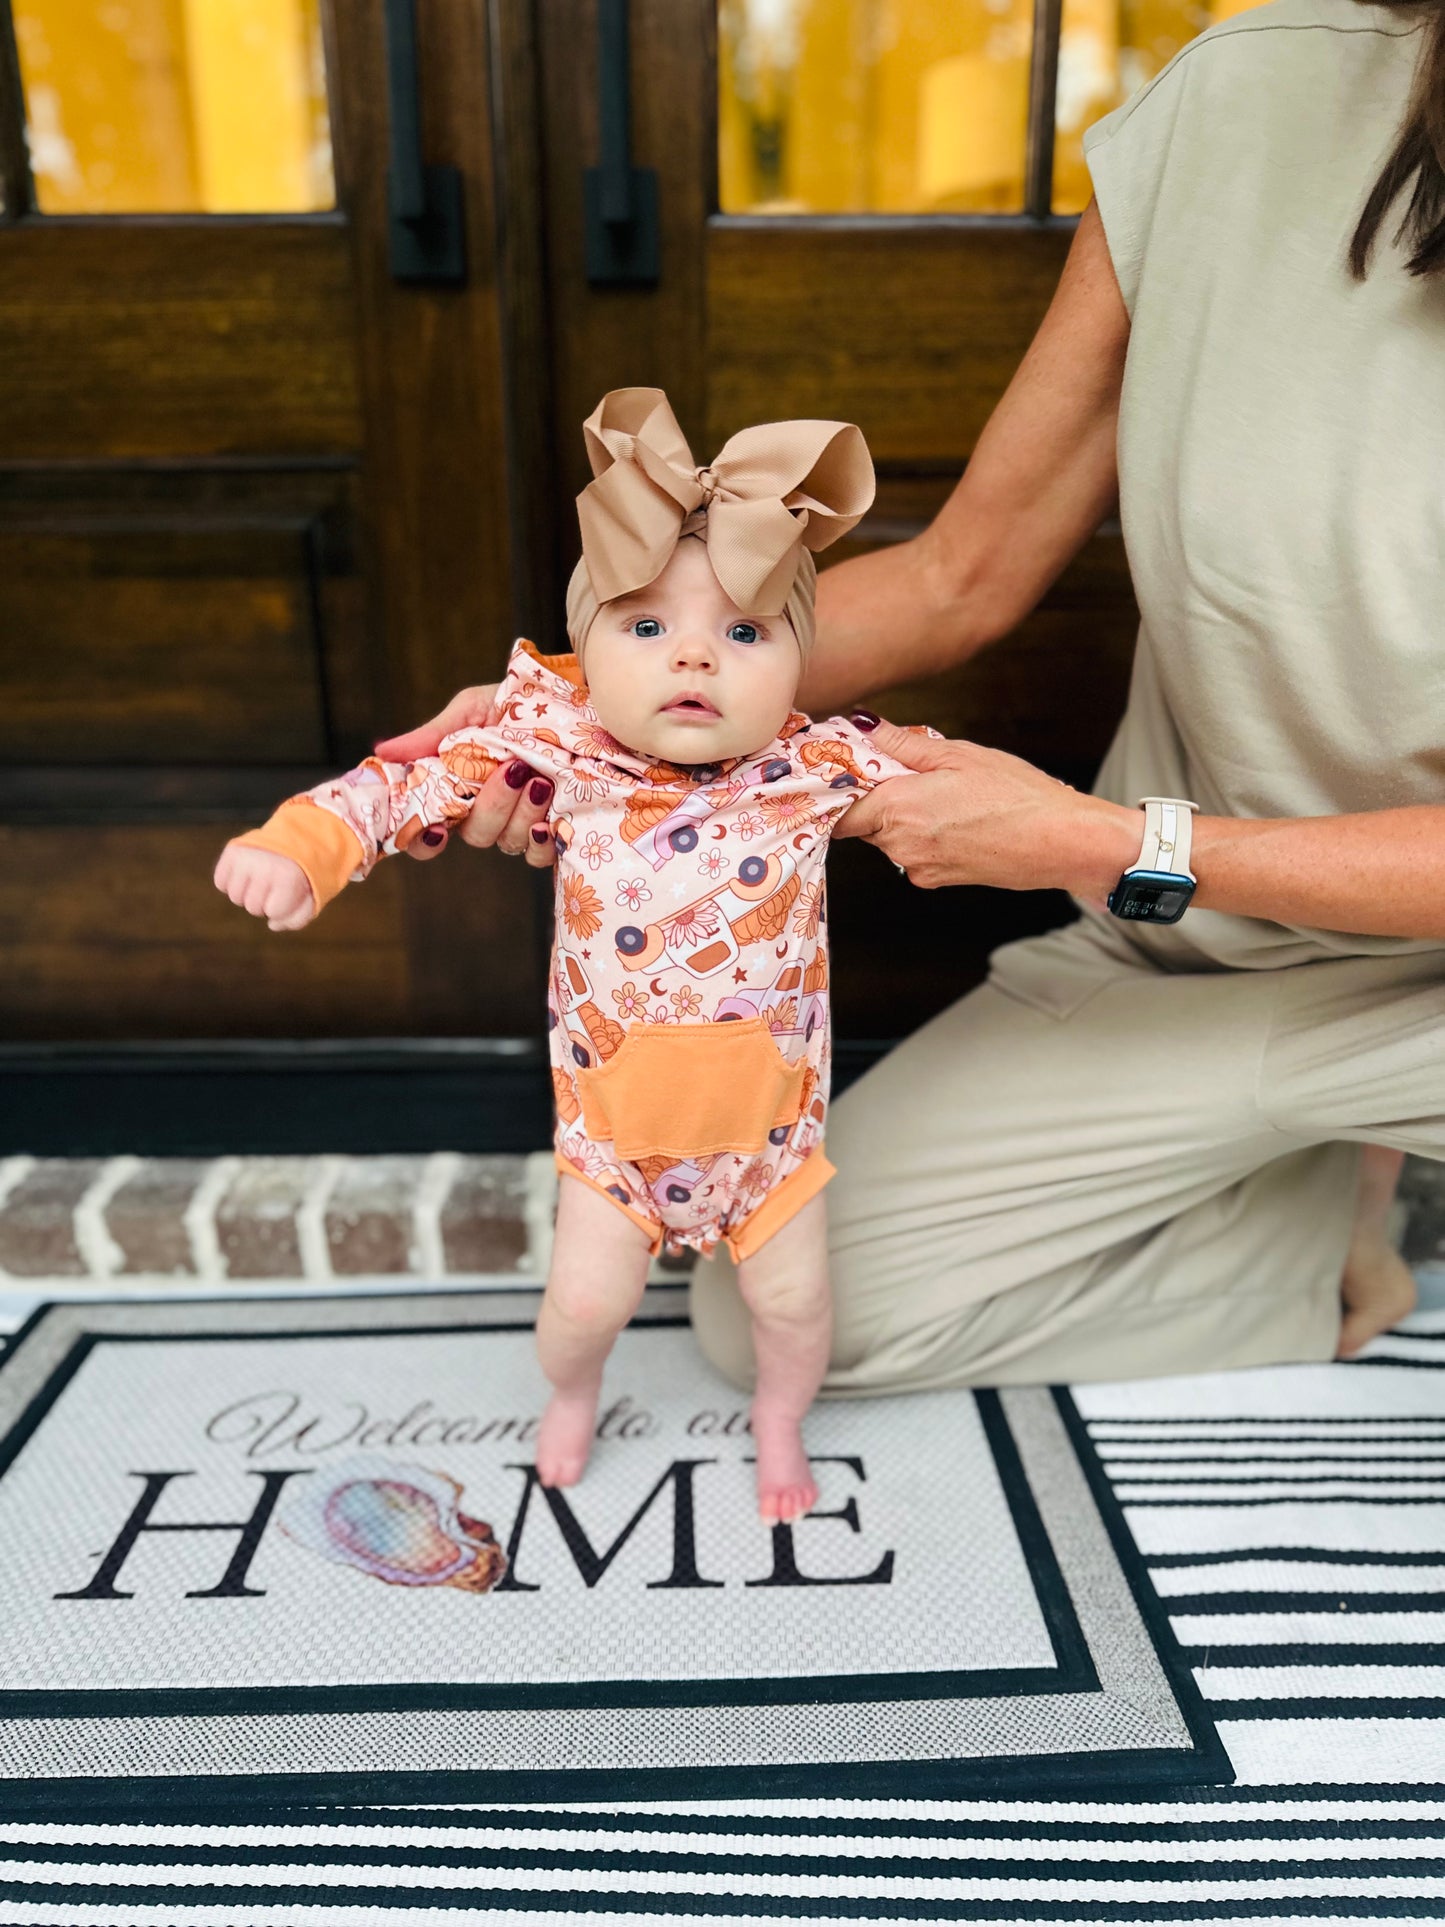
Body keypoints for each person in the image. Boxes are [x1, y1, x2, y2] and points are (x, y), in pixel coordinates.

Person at [375, 0, 1443, 1393]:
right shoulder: (1244, 103)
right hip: (1197, 967)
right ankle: (1314, 1220)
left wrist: (1108, 844)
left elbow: (1109, 840)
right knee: (787, 1313)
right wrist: (595, 700)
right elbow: (960, 573)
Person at [215, 389, 918, 1518]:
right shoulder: (554, 747)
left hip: (773, 1144)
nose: (693, 655)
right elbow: (403, 782)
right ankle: (572, 1394)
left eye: (743, 633)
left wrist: (1118, 845)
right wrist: (303, 843)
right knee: (576, 1311)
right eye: (644, 628)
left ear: (800, 661)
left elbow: (967, 795)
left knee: (794, 1313)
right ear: (579, 650)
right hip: (610, 1141)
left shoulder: (817, 766)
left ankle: (780, 1417)